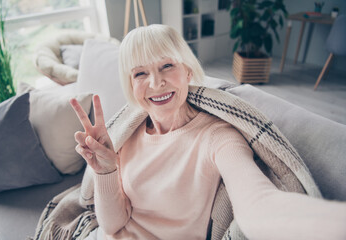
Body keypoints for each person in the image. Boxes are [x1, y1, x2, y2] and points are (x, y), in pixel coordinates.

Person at [70, 24, 346, 240]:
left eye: (167, 65)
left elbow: (257, 205)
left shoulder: (218, 136)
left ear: (187, 71)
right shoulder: (126, 136)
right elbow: (113, 224)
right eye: (140, 74)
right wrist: (105, 171)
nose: (156, 82)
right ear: (130, 85)